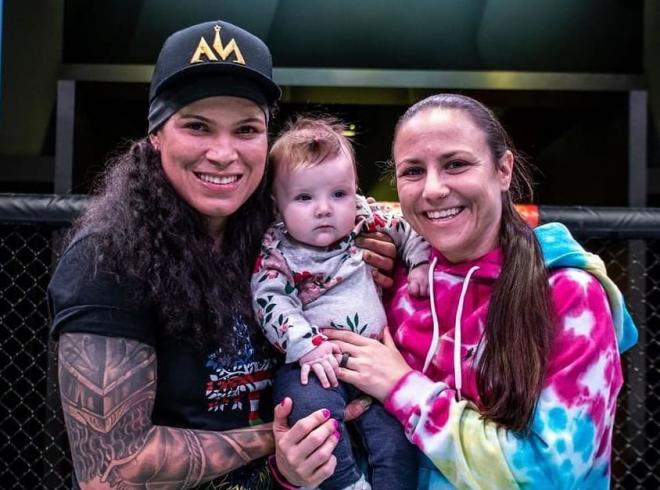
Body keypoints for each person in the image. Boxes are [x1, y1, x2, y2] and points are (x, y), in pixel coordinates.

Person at [47, 20, 395, 489]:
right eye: (197, 126)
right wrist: (277, 439)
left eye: (246, 129)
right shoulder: (107, 260)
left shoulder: (276, 239)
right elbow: (112, 471)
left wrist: (377, 258)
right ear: (155, 136)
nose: (223, 152)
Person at [325, 93, 638, 489]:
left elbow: (553, 477)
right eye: (413, 171)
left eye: (456, 164)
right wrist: (297, 470)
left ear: (503, 169)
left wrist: (401, 387)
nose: (433, 189)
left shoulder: (569, 296)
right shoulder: (386, 286)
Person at [251, 116, 427, 490]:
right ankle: (347, 484)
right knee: (310, 418)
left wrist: (420, 262)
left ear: (356, 192)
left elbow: (410, 227)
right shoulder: (276, 247)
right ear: (277, 205)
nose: (324, 209)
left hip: (376, 364)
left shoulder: (366, 219)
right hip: (314, 363)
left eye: (338, 194)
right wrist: (307, 346)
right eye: (304, 197)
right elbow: (270, 298)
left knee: (397, 441)